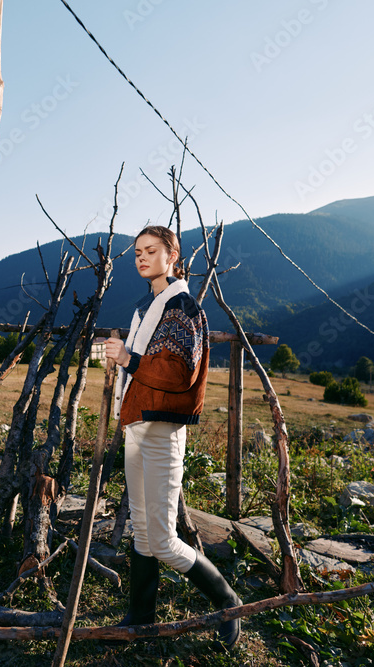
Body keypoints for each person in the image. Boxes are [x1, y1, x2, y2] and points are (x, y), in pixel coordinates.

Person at [104, 225, 241, 648]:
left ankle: (228, 603)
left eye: (151, 251)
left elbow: (178, 371)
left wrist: (128, 356)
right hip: (138, 423)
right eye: (137, 253)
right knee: (143, 531)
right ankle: (141, 617)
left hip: (163, 429)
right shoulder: (147, 306)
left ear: (172, 255)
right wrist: (122, 364)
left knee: (162, 539)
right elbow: (147, 365)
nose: (141, 258)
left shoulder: (182, 308)